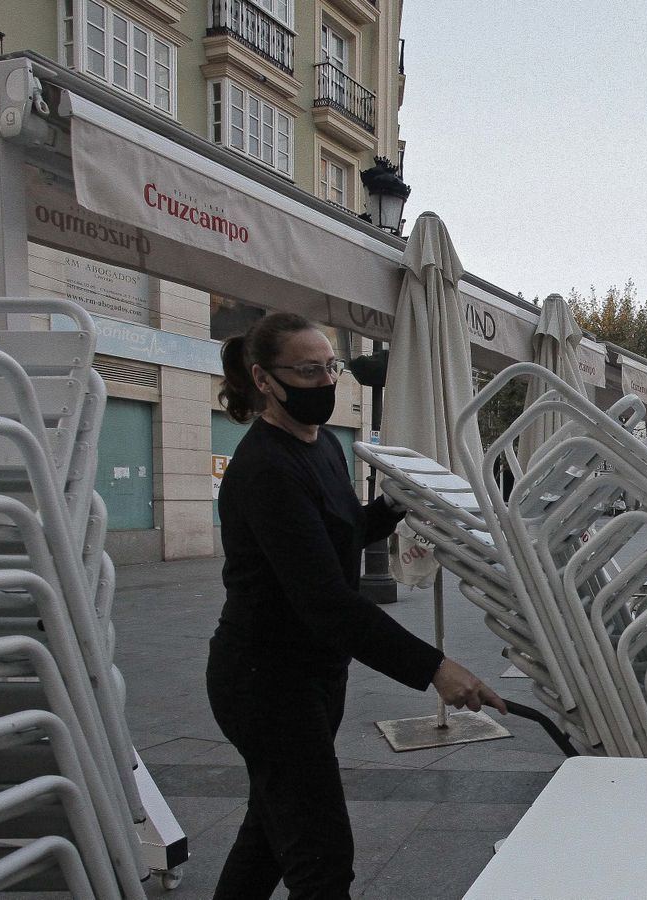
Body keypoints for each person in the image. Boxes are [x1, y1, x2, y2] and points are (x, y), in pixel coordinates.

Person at [208, 313, 505, 899]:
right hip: (265, 681)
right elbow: (328, 603)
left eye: (329, 367)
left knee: (269, 836)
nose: (325, 381)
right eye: (308, 370)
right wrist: (436, 669)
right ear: (265, 380)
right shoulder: (266, 469)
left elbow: (337, 535)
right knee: (322, 861)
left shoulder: (320, 448)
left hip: (310, 676)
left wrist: (398, 505)